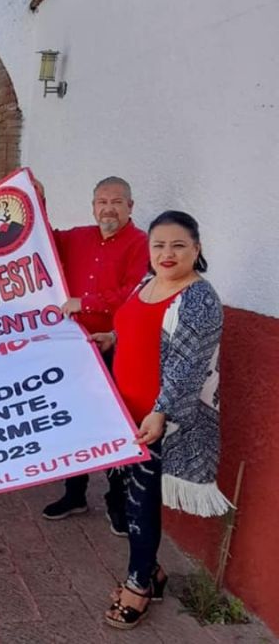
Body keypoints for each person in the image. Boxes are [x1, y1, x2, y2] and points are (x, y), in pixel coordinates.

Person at [92, 211, 229, 629]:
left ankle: (139, 585)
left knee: (141, 504)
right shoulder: (144, 284)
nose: (167, 254)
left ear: (197, 249)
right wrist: (112, 337)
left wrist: (162, 411)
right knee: (127, 494)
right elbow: (134, 327)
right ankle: (152, 570)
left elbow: (189, 366)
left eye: (178, 245)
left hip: (161, 420)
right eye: (159, 246)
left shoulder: (199, 299)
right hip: (125, 411)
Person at [40, 176, 149, 534]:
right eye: (102, 201)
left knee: (112, 423)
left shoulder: (142, 244)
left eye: (116, 202)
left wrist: (85, 303)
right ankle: (75, 494)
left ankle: (116, 502)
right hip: (74, 346)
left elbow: (134, 293)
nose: (108, 208)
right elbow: (43, 242)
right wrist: (34, 201)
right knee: (74, 420)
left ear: (130, 207)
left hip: (115, 346)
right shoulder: (79, 237)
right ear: (93, 206)